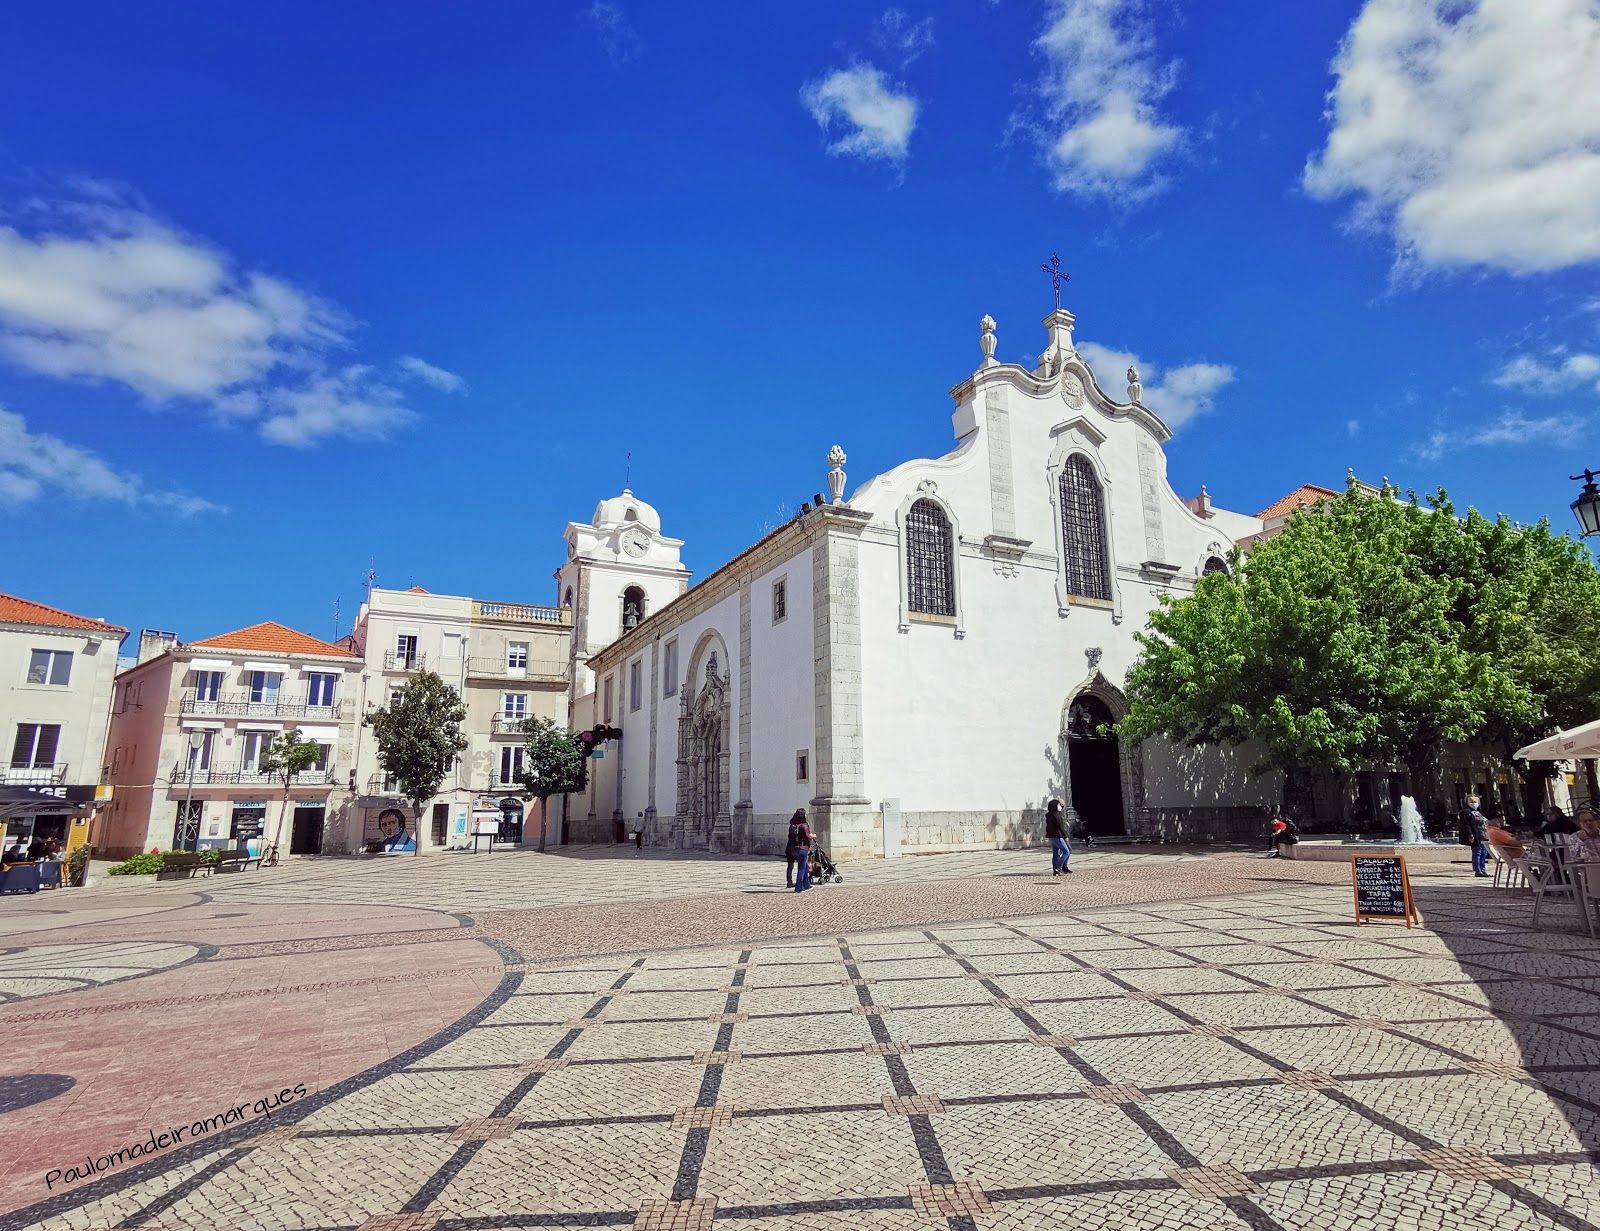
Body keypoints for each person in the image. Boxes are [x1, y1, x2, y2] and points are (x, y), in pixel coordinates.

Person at [1458, 795, 1490, 877]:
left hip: (1483, 835)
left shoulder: (1479, 812)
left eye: (1476, 802)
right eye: (1472, 802)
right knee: (1477, 852)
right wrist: (1470, 835)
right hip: (1475, 835)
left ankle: (1483, 870)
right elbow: (1466, 825)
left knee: (1484, 853)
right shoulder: (1466, 812)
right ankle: (1477, 870)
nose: (1474, 804)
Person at [788, 809, 814, 893]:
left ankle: (806, 885)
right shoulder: (804, 826)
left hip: (793, 849)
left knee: (805, 866)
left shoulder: (792, 826)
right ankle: (799, 887)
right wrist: (813, 836)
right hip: (802, 849)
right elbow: (808, 837)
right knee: (802, 868)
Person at [1045, 798, 1072, 876]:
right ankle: (1058, 868)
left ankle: (1055, 869)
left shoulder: (1050, 815)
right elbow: (1060, 826)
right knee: (1066, 851)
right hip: (1057, 836)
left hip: (1052, 837)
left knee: (1056, 853)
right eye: (1059, 805)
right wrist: (1065, 836)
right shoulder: (1056, 815)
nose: (1060, 806)